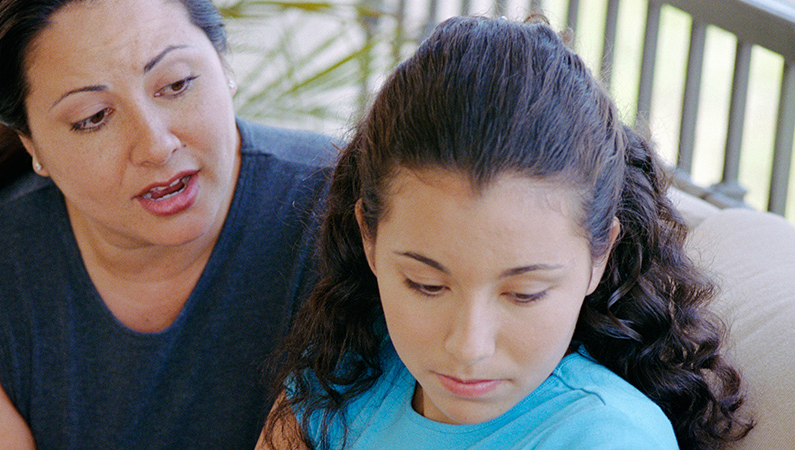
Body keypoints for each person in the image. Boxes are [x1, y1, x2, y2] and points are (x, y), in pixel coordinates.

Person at [258, 16, 754, 450]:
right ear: (369, 236)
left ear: (599, 255)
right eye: (426, 285)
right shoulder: (347, 377)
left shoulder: (607, 437)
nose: (469, 346)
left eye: (524, 293)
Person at [0, 0, 337, 448]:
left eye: (176, 84)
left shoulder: (350, 214)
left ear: (223, 63)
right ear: (32, 145)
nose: (155, 145)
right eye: (93, 118)